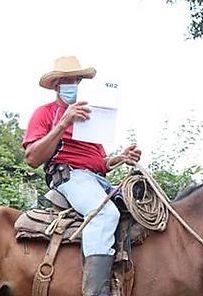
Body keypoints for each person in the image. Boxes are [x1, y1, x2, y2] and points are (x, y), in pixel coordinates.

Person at [22, 55, 141, 296]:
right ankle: (96, 292)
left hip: (96, 179)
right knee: (105, 213)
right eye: (68, 80)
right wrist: (64, 122)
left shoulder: (91, 117)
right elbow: (33, 158)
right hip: (69, 178)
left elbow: (98, 163)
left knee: (138, 209)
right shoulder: (45, 113)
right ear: (57, 85)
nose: (73, 83)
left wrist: (120, 158)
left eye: (77, 79)